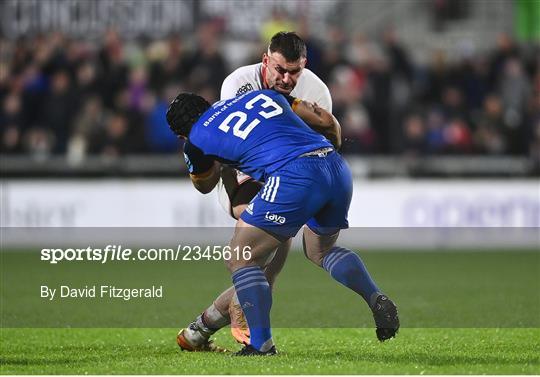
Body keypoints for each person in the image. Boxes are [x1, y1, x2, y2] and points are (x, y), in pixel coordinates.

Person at [166, 89, 399, 355]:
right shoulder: (258, 95)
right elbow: (323, 120)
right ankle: (375, 297)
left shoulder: (195, 141)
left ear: (181, 134)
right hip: (334, 166)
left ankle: (261, 345)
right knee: (319, 250)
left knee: (240, 257)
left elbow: (205, 185)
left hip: (293, 174)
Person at [177, 31, 334, 350]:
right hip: (243, 179)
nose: (287, 78)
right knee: (258, 264)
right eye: (280, 70)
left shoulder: (317, 92)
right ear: (266, 60)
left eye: (295, 72)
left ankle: (198, 331)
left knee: (265, 273)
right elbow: (234, 150)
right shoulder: (238, 83)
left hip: (291, 181)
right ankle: (242, 325)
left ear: (304, 66)